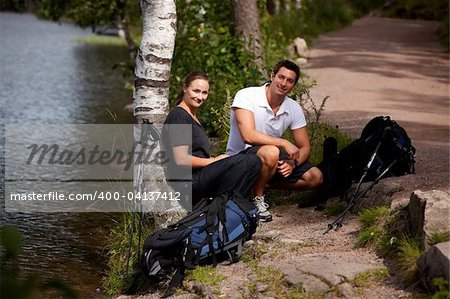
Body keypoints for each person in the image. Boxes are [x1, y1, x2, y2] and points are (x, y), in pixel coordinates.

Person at [226, 60, 323, 221]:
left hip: (270, 160)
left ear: (294, 85)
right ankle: (257, 200)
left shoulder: (293, 107)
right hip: (240, 159)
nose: (284, 83)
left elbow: (304, 147)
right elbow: (248, 135)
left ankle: (261, 185)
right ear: (272, 76)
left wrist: (293, 164)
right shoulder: (247, 95)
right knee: (273, 151)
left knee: (315, 176)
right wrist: (284, 142)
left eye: (290, 81)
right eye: (281, 77)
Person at [162, 71, 262, 208]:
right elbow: (181, 159)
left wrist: (217, 160)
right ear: (185, 88)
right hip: (188, 183)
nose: (200, 97)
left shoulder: (192, 116)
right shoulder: (179, 116)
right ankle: (225, 207)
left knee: (254, 155)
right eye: (196, 91)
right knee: (246, 161)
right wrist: (213, 161)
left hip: (200, 175)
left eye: (204, 93)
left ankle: (233, 204)